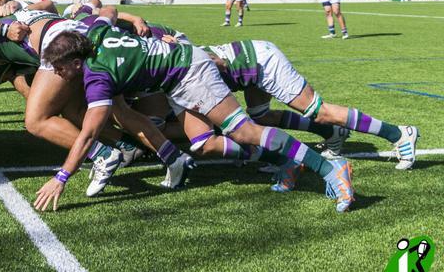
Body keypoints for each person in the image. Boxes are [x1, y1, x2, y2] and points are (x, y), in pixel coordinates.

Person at [34, 19, 355, 213]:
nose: (57, 74)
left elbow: (89, 134)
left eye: (60, 68)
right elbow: (103, 13)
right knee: (203, 142)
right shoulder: (97, 32)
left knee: (243, 132)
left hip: (189, 74)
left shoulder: (96, 78)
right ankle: (289, 162)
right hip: (181, 70)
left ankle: (330, 168)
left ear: (77, 62)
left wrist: (61, 178)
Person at [204, 40, 419, 169]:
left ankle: (399, 134)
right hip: (249, 64)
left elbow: (213, 61)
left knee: (319, 111)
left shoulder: (178, 57)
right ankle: (331, 133)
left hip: (260, 62)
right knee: (261, 116)